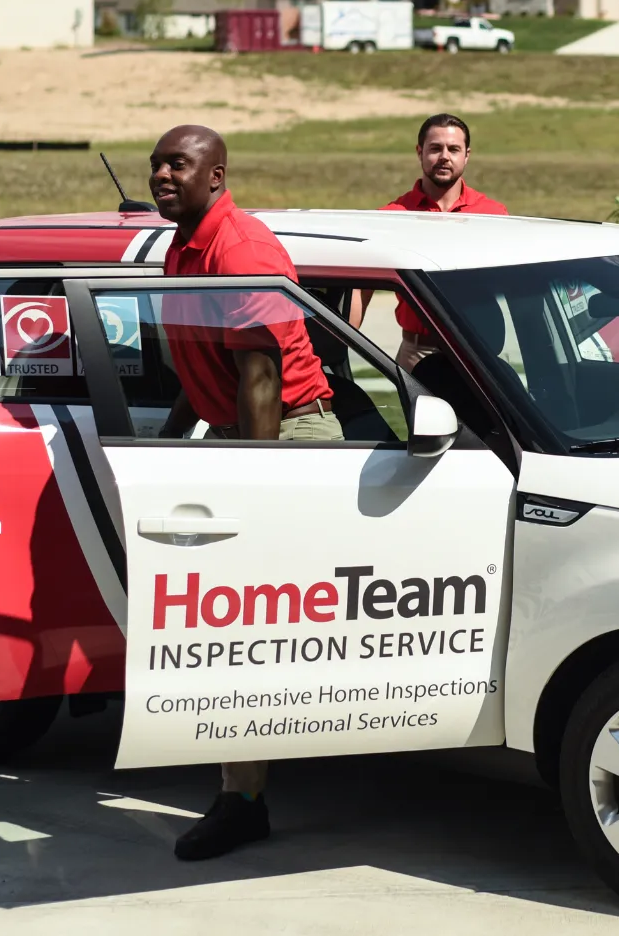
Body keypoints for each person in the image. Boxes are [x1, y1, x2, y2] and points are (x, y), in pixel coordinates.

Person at [146, 124, 342, 861]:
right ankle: (244, 792)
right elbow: (206, 375)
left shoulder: (240, 249)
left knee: (244, 631)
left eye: (179, 165)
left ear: (216, 175)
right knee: (237, 634)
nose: (164, 175)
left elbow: (261, 378)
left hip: (286, 437)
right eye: (158, 164)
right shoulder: (182, 248)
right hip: (243, 435)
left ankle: (243, 800)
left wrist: (252, 488)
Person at [374, 113, 507, 370]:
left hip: (479, 350)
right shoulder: (392, 217)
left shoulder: (494, 215)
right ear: (420, 152)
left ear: (466, 155)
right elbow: (360, 291)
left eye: (453, 149)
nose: (444, 156)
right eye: (435, 148)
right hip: (418, 353)